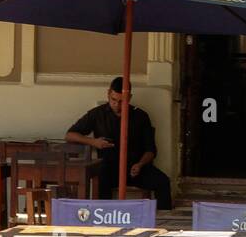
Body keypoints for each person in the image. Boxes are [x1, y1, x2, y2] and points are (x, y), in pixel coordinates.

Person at [66, 77, 172, 209]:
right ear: (108, 94)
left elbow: (151, 150)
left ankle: (164, 220)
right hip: (108, 169)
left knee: (163, 182)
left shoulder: (141, 116)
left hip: (135, 170)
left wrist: (140, 164)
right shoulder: (98, 114)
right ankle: (104, 219)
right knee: (100, 181)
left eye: (122, 101)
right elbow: (70, 135)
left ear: (130, 97)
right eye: (113, 100)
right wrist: (93, 142)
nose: (117, 105)